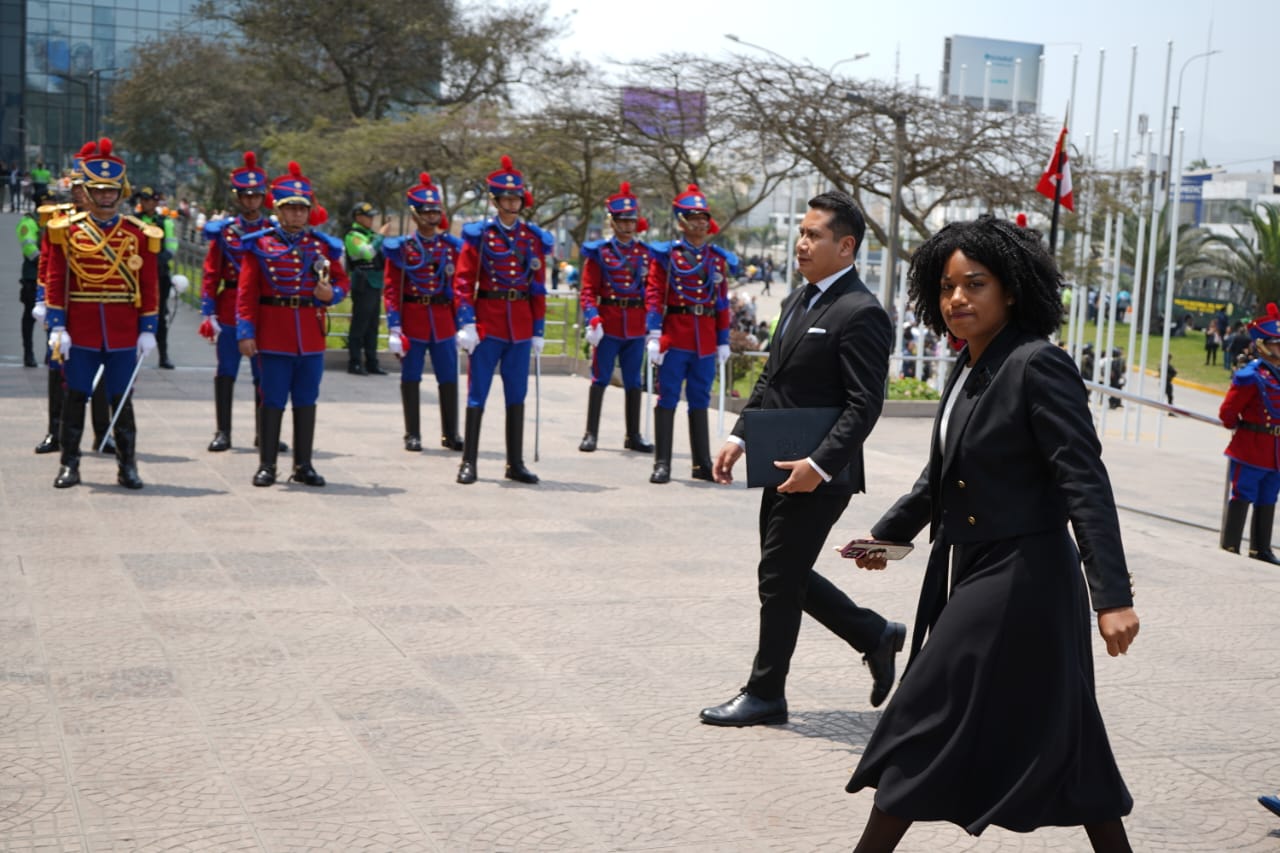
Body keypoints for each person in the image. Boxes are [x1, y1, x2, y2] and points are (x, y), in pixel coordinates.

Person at [844, 215, 1139, 853]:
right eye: (947, 287)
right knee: (1067, 735)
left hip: (1024, 576)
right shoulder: (969, 365)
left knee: (920, 712)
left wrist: (1111, 596)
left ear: (1011, 289)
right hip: (978, 570)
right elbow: (942, 475)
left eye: (974, 284)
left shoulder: (1039, 365)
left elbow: (1083, 483)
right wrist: (889, 538)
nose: (957, 300)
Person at [700, 190, 900, 727]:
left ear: (847, 245)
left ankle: (766, 693)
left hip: (821, 475)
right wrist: (740, 437)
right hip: (777, 460)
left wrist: (820, 465)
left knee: (778, 575)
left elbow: (865, 404)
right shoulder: (799, 299)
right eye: (802, 233)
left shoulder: (861, 312)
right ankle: (874, 634)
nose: (802, 243)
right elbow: (771, 378)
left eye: (814, 235)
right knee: (782, 573)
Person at [43, 137, 162, 489]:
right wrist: (57, 325)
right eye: (99, 190)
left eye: (111, 190)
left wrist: (148, 327)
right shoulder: (68, 230)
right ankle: (70, 464)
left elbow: (149, 283)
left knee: (121, 398)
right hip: (81, 328)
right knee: (76, 395)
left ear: (120, 191)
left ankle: (127, 466)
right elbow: (56, 278)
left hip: (124, 329)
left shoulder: (138, 233)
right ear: (88, 191)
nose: (106, 196)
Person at [236, 161, 349, 487]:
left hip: (310, 333)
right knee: (271, 399)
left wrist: (331, 293)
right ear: (279, 210)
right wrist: (245, 331)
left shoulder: (323, 246)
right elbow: (246, 293)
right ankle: (267, 465)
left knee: (306, 399)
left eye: (303, 209)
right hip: (273, 332)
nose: (298, 215)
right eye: (291, 209)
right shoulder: (259, 244)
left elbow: (343, 285)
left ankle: (303, 465)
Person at [452, 155, 553, 485]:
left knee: (516, 394)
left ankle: (515, 463)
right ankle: (469, 463)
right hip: (488, 324)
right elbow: (464, 281)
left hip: (520, 325)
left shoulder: (532, 239)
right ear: (494, 201)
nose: (512, 203)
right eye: (506, 198)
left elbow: (537, 287)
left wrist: (538, 329)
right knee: (477, 393)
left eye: (516, 198)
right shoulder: (480, 236)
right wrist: (466, 322)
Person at [644, 184, 738, 484]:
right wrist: (654, 332)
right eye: (694, 217)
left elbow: (721, 302)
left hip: (706, 339)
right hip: (676, 335)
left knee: (700, 397)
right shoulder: (667, 256)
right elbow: (655, 293)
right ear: (681, 221)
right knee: (668, 397)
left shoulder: (716, 259)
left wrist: (723, 339)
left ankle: (701, 463)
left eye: (704, 217)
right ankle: (662, 464)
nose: (701, 222)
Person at [199, 151, 286, 454]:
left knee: (265, 373)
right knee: (226, 371)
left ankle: (265, 431)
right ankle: (223, 431)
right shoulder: (224, 231)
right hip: (230, 306)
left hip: (264, 309)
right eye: (246, 197)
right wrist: (207, 311)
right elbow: (211, 272)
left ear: (264, 197)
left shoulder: (276, 232)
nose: (251, 202)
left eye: (257, 196)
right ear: (238, 197)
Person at [383, 172, 464, 452]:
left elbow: (460, 287)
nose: (431, 216)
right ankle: (412, 433)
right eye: (426, 212)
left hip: (443, 320)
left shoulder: (451, 248)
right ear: (415, 215)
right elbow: (392, 289)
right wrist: (394, 326)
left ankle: (450, 433)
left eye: (435, 211)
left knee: (448, 377)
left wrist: (464, 323)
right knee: (411, 377)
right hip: (414, 319)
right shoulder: (402, 249)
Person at [577, 181, 654, 454]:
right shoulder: (600, 253)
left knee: (634, 381)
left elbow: (652, 292)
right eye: (622, 221)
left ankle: (633, 435)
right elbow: (587, 290)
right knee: (600, 378)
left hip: (635, 325)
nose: (627, 226)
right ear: (612, 221)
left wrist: (653, 325)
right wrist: (592, 317)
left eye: (631, 220)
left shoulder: (646, 254)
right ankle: (591, 433)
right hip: (608, 324)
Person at [1218, 303, 1280, 565]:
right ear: (1263, 345)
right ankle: (1231, 544)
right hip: (1251, 447)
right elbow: (1227, 413)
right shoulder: (1250, 375)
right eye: (1276, 344)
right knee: (1243, 493)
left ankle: (1261, 548)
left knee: (1269, 497)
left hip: (1275, 450)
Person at [133, 187, 178, 368]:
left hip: (159, 274)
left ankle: (163, 355)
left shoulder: (164, 222)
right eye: (144, 200)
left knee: (160, 315)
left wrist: (158, 260)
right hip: (136, 272)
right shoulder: (134, 221)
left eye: (151, 200)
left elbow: (171, 246)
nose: (147, 204)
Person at [344, 201, 387, 376]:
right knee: (359, 325)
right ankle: (354, 362)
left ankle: (372, 362)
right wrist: (381, 237)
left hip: (375, 282)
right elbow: (367, 252)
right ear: (358, 217)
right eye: (368, 217)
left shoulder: (369, 234)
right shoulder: (353, 236)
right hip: (363, 283)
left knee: (373, 325)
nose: (371, 220)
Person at [16, 200, 40, 367]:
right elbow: (28, 247)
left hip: (49, 276)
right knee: (29, 317)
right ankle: (28, 353)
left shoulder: (57, 219)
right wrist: (45, 261)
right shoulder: (29, 222)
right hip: (33, 276)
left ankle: (51, 354)